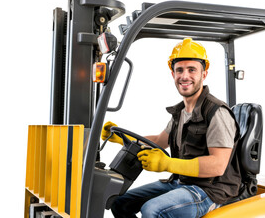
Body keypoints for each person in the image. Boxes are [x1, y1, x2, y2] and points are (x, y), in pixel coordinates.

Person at [102, 38, 241, 218]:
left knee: (152, 210)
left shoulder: (216, 112)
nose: (185, 76)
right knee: (120, 202)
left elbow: (218, 165)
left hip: (210, 190)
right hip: (181, 182)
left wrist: (168, 164)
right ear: (172, 74)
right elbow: (160, 141)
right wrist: (121, 138)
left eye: (192, 70)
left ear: (204, 74)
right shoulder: (181, 112)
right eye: (179, 70)